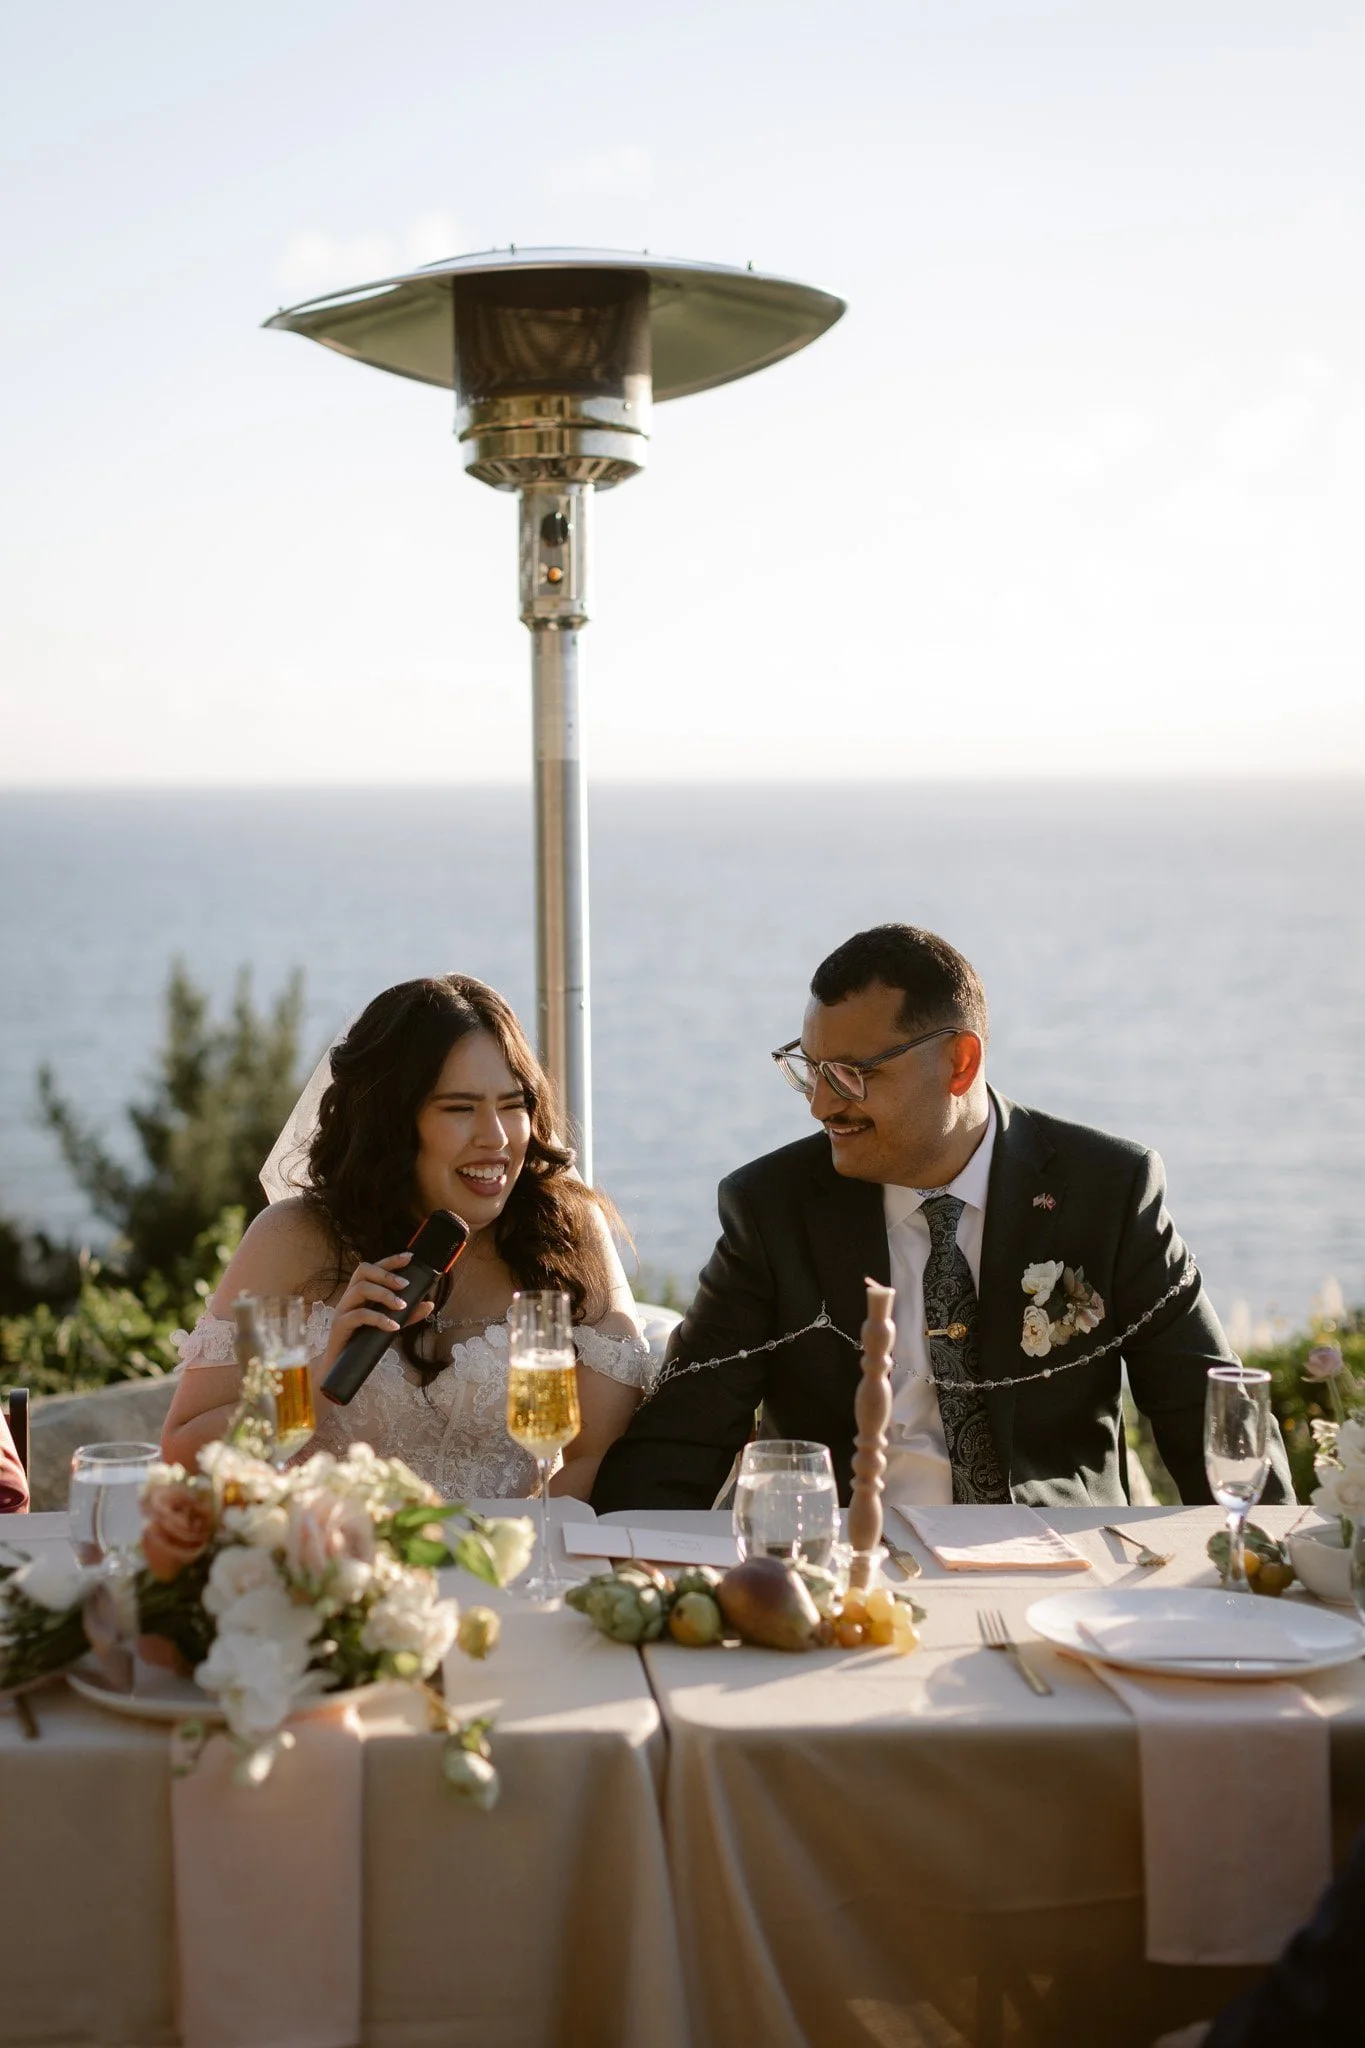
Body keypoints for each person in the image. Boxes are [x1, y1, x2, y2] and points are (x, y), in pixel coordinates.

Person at [593, 923, 1293, 1512]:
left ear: (959, 1062)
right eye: (810, 1069)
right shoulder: (771, 1207)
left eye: (852, 1074)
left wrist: (1269, 1572)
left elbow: (1210, 1416)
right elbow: (680, 1442)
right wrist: (618, 1582)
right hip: (845, 1570)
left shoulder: (1108, 1189)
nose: (821, 1105)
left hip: (1054, 1567)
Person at [163, 974, 653, 1499]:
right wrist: (316, 1380)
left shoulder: (568, 1235)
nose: (496, 1137)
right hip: (339, 1548)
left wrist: (503, 1547)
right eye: (460, 1108)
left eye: (513, 1105)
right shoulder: (291, 1240)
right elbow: (184, 1457)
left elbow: (601, 1459)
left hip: (520, 1547)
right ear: (391, 1123)